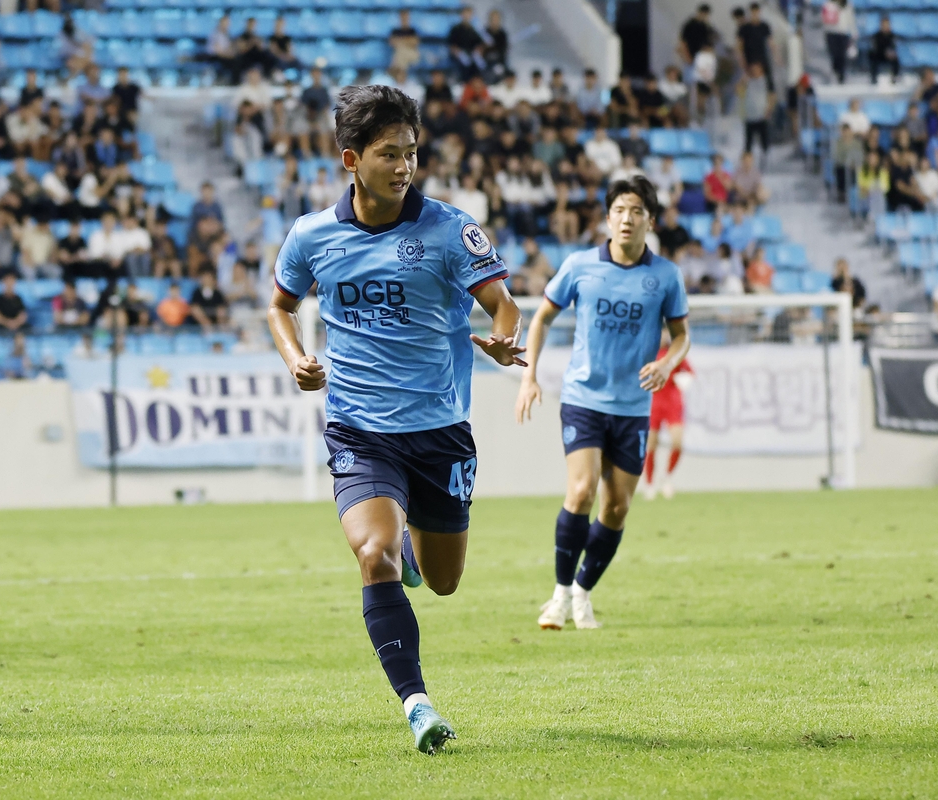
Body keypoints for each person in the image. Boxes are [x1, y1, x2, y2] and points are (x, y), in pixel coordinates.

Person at [267, 85, 524, 755]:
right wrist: (296, 356)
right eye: (388, 153)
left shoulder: (449, 228)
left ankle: (416, 548)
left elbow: (504, 305)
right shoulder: (313, 236)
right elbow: (279, 305)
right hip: (358, 430)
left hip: (438, 432)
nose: (404, 165)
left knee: (442, 581)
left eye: (411, 152)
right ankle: (418, 706)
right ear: (351, 158)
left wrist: (499, 338)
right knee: (370, 553)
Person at [515, 176, 689, 632]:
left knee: (616, 509)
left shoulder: (665, 276)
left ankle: (583, 592)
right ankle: (558, 597)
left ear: (650, 220)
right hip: (583, 398)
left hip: (632, 406)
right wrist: (529, 376)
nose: (626, 219)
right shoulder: (579, 266)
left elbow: (682, 336)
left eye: (636, 211)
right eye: (618, 211)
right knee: (581, 491)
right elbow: (542, 319)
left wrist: (668, 363)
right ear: (607, 219)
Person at [641, 330, 693, 500]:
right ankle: (649, 484)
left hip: (672, 401)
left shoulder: (674, 354)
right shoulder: (648, 353)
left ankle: (667, 477)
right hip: (653, 402)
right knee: (651, 445)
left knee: (677, 442)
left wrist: (684, 379)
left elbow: (689, 372)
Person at [822, 0, 857, 85]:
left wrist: (854, 32)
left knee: (842, 55)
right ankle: (835, 73)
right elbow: (824, 18)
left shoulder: (848, 5)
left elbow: (851, 19)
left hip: (843, 33)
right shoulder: (828, 4)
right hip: (831, 33)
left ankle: (841, 76)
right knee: (834, 54)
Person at [870, 17, 899, 85]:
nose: (885, 27)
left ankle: (894, 77)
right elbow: (875, 48)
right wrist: (884, 52)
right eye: (883, 25)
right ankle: (874, 78)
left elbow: (894, 47)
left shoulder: (892, 36)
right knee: (872, 57)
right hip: (879, 56)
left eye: (887, 25)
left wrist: (891, 53)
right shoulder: (876, 36)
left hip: (889, 56)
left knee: (895, 59)